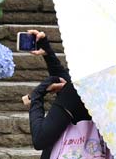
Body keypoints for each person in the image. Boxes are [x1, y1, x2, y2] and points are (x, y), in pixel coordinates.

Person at [21, 29, 98, 159]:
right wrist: (48, 53)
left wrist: (37, 95)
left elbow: (40, 139)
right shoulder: (106, 87)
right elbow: (69, 84)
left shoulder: (77, 89)